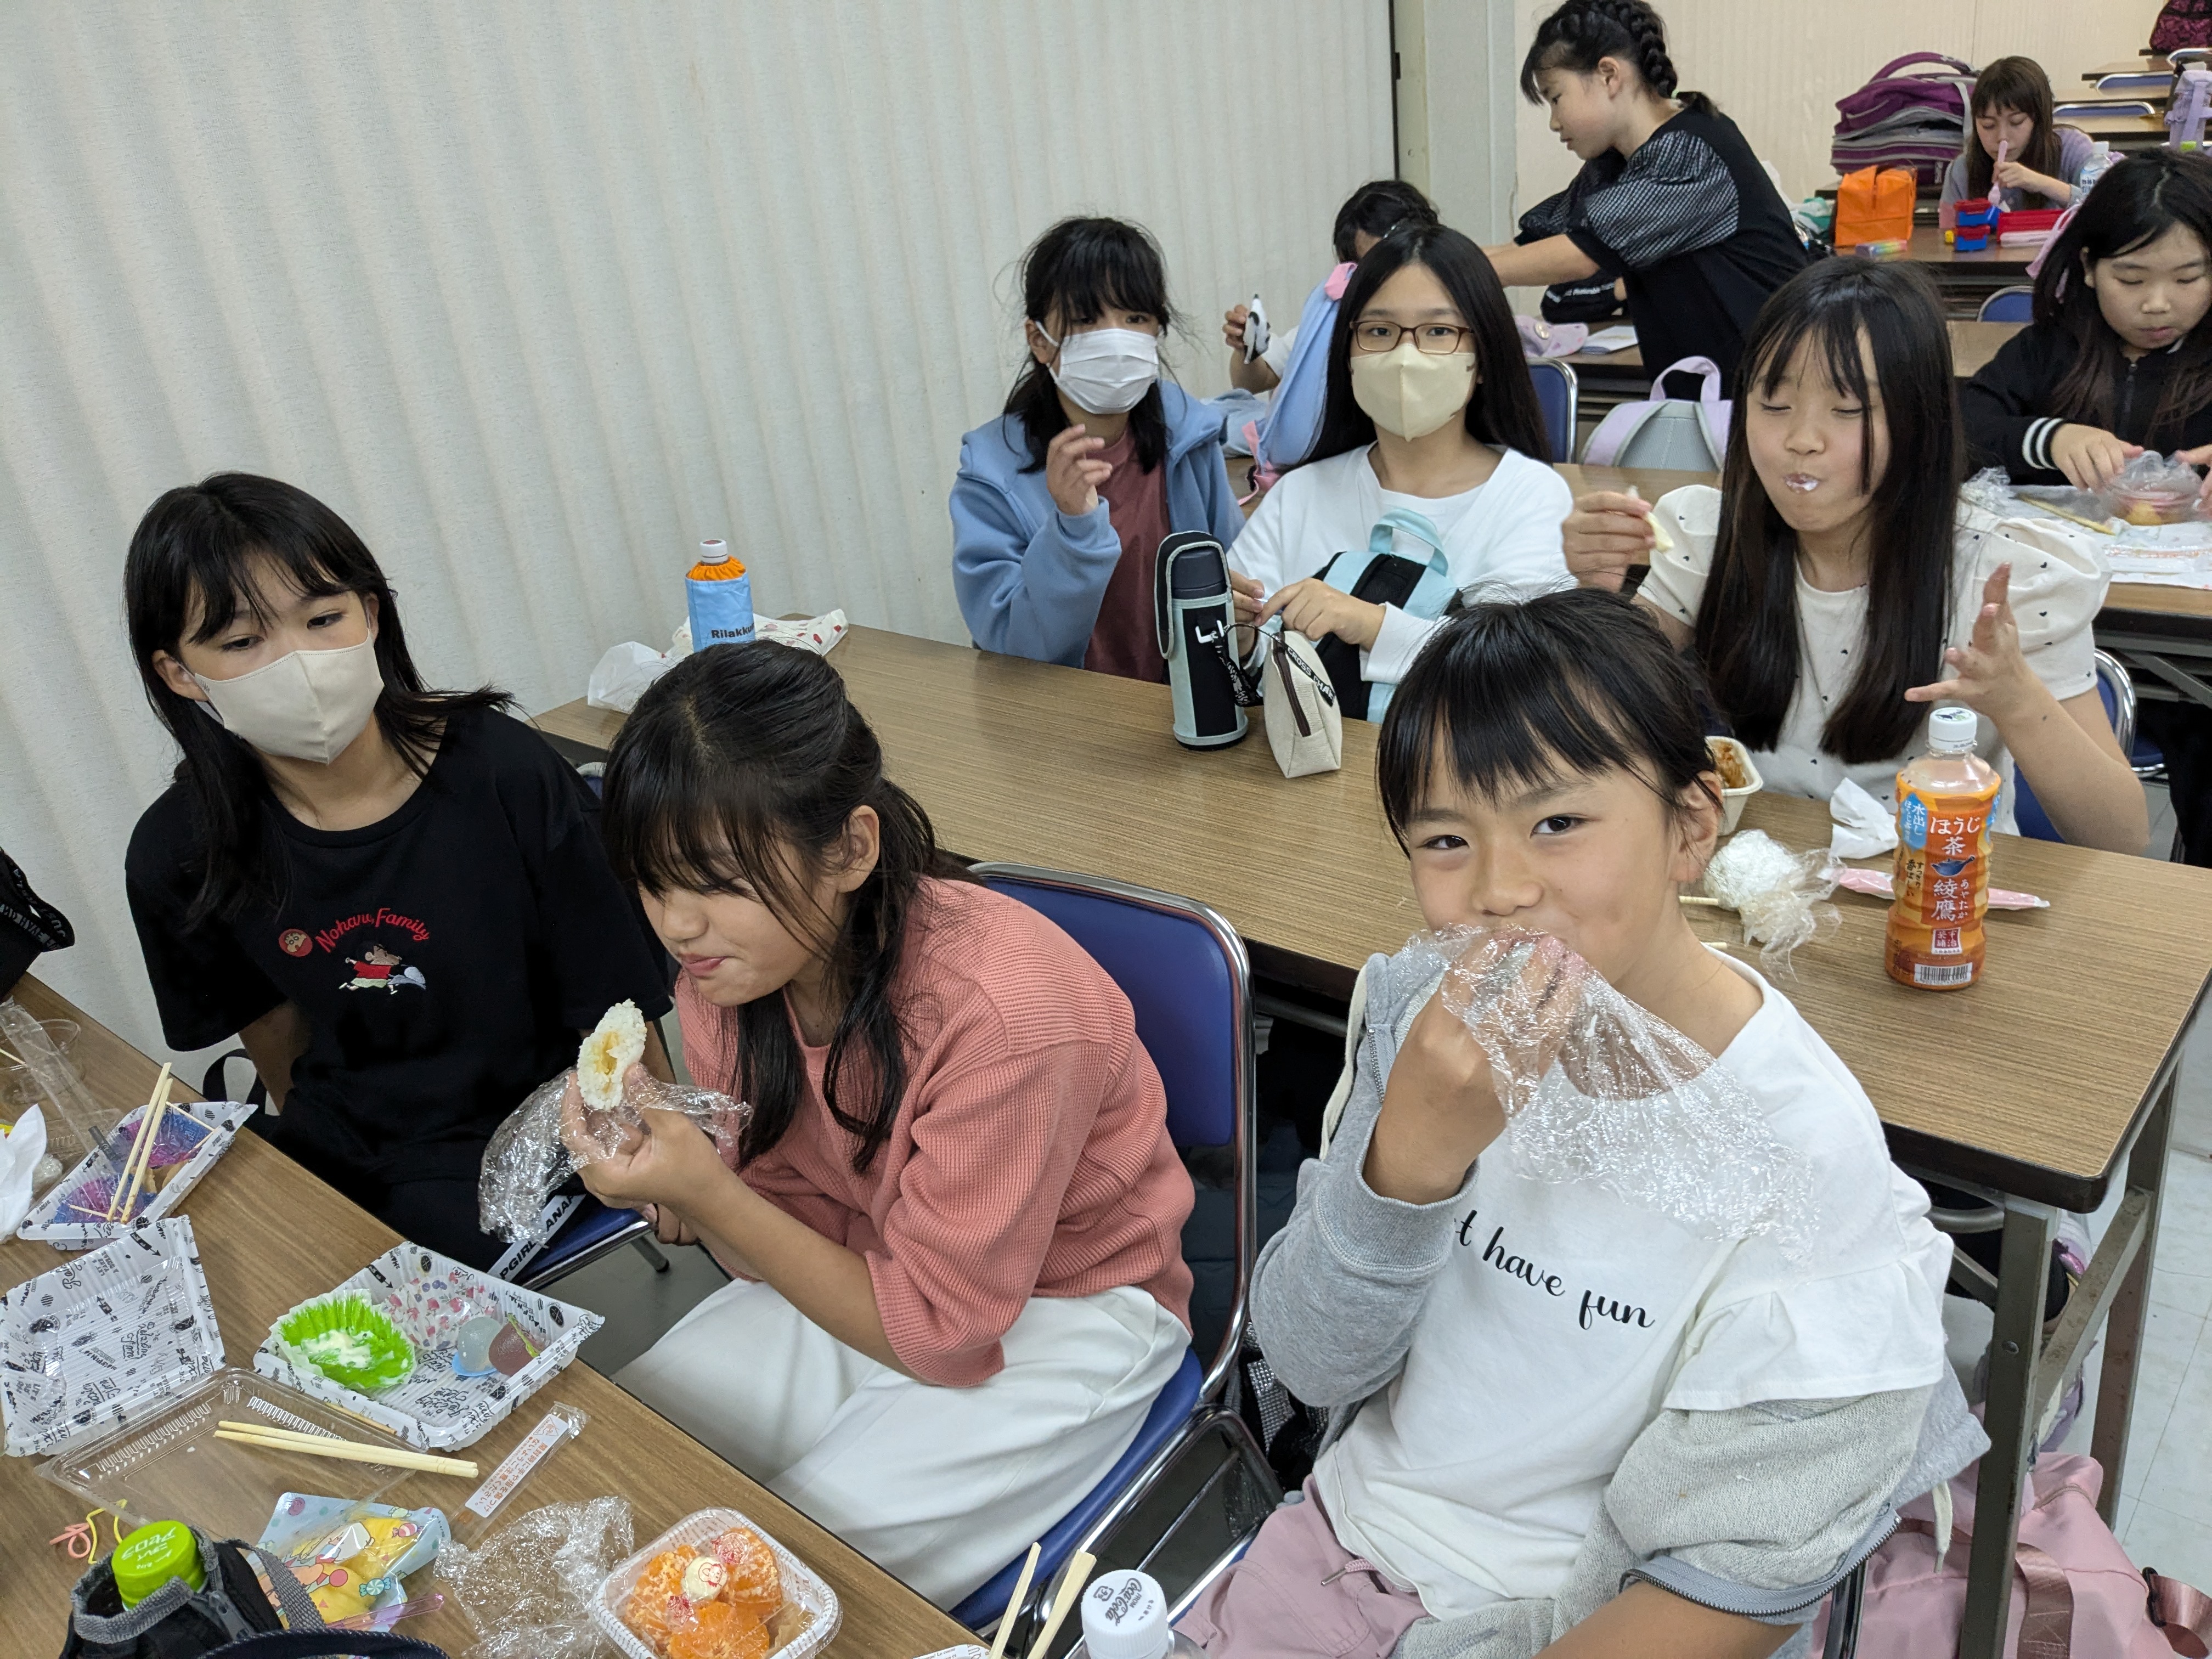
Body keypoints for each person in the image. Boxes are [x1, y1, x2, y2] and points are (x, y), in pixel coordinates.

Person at [1178, 589, 1969, 1659]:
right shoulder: (1428, 1015)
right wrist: (1407, 1163)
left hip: (1546, 1620)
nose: (1500, 889)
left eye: (1556, 823)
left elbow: (1728, 1582)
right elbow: (1311, 1368)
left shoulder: (1802, 1152)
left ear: (1691, 827)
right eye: (1446, 838)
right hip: (1327, 1552)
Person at [571, 642, 1195, 1609]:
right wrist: (684, 1185)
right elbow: (773, 1231)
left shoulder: (1005, 1015)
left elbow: (943, 1334)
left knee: (766, 1585)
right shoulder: (730, 973)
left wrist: (706, 1191)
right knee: (617, 1466)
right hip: (872, 1258)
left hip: (1071, 1301)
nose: (679, 926)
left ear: (851, 849)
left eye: (718, 881)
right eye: (654, 883)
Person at [122, 473, 673, 1267]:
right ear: (180, 672)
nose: (300, 662)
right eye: (242, 643)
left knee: (399, 1301)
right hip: (351, 1134)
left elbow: (615, 1001)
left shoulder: (502, 771)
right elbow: (274, 1041)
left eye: (324, 620)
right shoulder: (180, 850)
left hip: (535, 1118)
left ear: (371, 616)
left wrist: (666, 1155)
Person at [1565, 258, 2149, 855]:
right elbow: (1589, 719)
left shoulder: (2007, 576)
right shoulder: (1711, 535)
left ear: (1919, 422)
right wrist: (1594, 593)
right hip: (1762, 867)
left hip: (1938, 883)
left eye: (1847, 410)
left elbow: (2121, 835)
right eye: (1774, 403)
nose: (1801, 440)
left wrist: (2017, 700)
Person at [1963, 153, 2212, 862]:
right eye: (2132, 279)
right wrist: (2050, 437)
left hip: (2189, 647)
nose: (2158, 303)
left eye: (2189, 278)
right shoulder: (2056, 348)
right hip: (2053, 633)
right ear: (2091, 268)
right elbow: (1961, 421)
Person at [1224, 222, 1571, 722]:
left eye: (1439, 332)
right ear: (1348, 354)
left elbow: (1525, 671)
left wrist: (1372, 625)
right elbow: (1251, 657)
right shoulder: (1299, 493)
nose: (1405, 357)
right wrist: (1238, 639)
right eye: (1379, 332)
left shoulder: (1531, 494)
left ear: (1484, 358)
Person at [951, 216, 1243, 682]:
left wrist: (1240, 614)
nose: (1116, 338)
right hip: (1066, 712)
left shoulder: (1189, 434)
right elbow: (1010, 645)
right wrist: (1073, 532)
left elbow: (1234, 564)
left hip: (1186, 700)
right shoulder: (991, 473)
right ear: (1039, 341)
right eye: (1087, 320)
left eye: (1135, 318)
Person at [1486, 0, 1806, 394]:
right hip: (1714, 391)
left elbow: (1582, 254)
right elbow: (1540, 240)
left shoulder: (1690, 152)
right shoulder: (1618, 160)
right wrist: (1441, 263)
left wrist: (1459, 277)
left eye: (1555, 98)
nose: (1554, 122)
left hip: (1782, 384)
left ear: (1608, 76)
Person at [1222, 180, 1438, 479]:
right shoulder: (1331, 321)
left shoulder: (1450, 325)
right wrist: (1248, 349)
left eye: (1386, 265)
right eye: (1359, 270)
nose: (1371, 282)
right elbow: (1253, 381)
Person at [1939, 57, 2096, 216]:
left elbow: (2104, 209)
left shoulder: (2073, 150)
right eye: (1988, 125)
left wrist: (2041, 183)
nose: (2002, 137)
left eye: (2016, 122)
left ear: (2039, 119)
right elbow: (1947, 230)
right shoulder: (1962, 171)